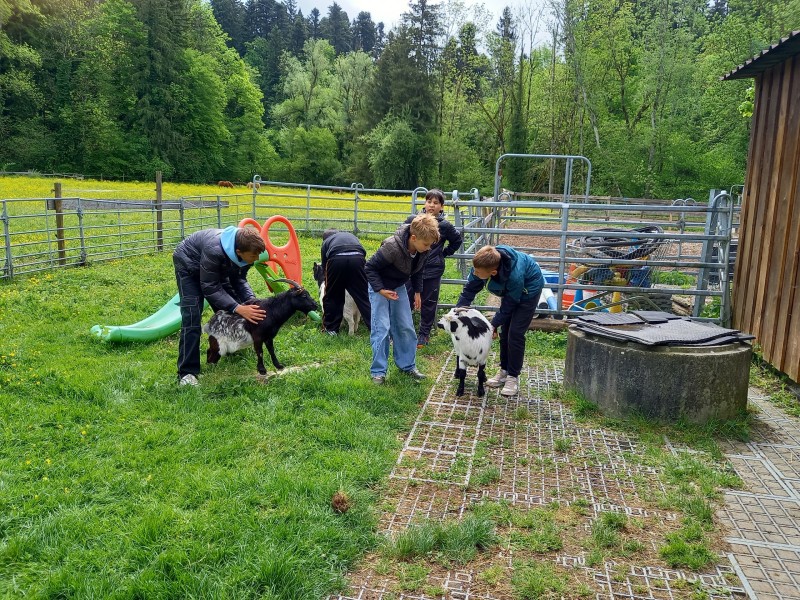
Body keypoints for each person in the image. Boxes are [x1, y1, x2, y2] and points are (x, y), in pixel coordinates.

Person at [173, 226, 267, 386]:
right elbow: (209, 287)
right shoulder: (214, 250)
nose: (257, 258)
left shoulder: (249, 250)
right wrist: (238, 308)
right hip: (189, 264)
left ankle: (230, 347)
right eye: (254, 255)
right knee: (192, 316)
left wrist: (251, 302)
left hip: (215, 269)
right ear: (239, 252)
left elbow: (239, 280)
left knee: (235, 308)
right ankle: (187, 373)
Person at [456, 245, 544, 396]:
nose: (474, 273)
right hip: (511, 292)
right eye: (474, 270)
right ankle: (504, 370)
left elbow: (510, 303)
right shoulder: (482, 265)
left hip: (528, 292)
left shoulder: (514, 276)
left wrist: (493, 324)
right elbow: (470, 288)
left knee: (515, 333)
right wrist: (459, 310)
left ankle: (513, 377)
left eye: (477, 272)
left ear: (493, 272)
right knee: (505, 332)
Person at [365, 213, 440, 384]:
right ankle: (378, 372)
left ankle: (408, 366)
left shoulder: (422, 248)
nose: (428, 248)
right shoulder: (392, 247)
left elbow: (419, 270)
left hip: (398, 286)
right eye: (426, 244)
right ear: (413, 238)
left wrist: (418, 292)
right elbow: (369, 268)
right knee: (382, 328)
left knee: (406, 326)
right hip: (380, 287)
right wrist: (381, 290)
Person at [403, 189, 463, 348]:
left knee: (429, 302)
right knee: (406, 300)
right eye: (429, 201)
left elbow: (457, 240)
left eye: (436, 203)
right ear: (425, 203)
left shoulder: (444, 225)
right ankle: (403, 332)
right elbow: (402, 237)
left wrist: (442, 254)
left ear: (441, 207)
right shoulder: (413, 220)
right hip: (412, 268)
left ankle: (424, 334)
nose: (431, 205)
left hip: (432, 269)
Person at [319, 228, 372, 334]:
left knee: (332, 295)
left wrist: (332, 282)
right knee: (364, 296)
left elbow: (325, 268)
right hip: (358, 258)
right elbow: (363, 253)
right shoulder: (350, 236)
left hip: (336, 259)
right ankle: (377, 329)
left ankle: (331, 329)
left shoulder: (326, 243)